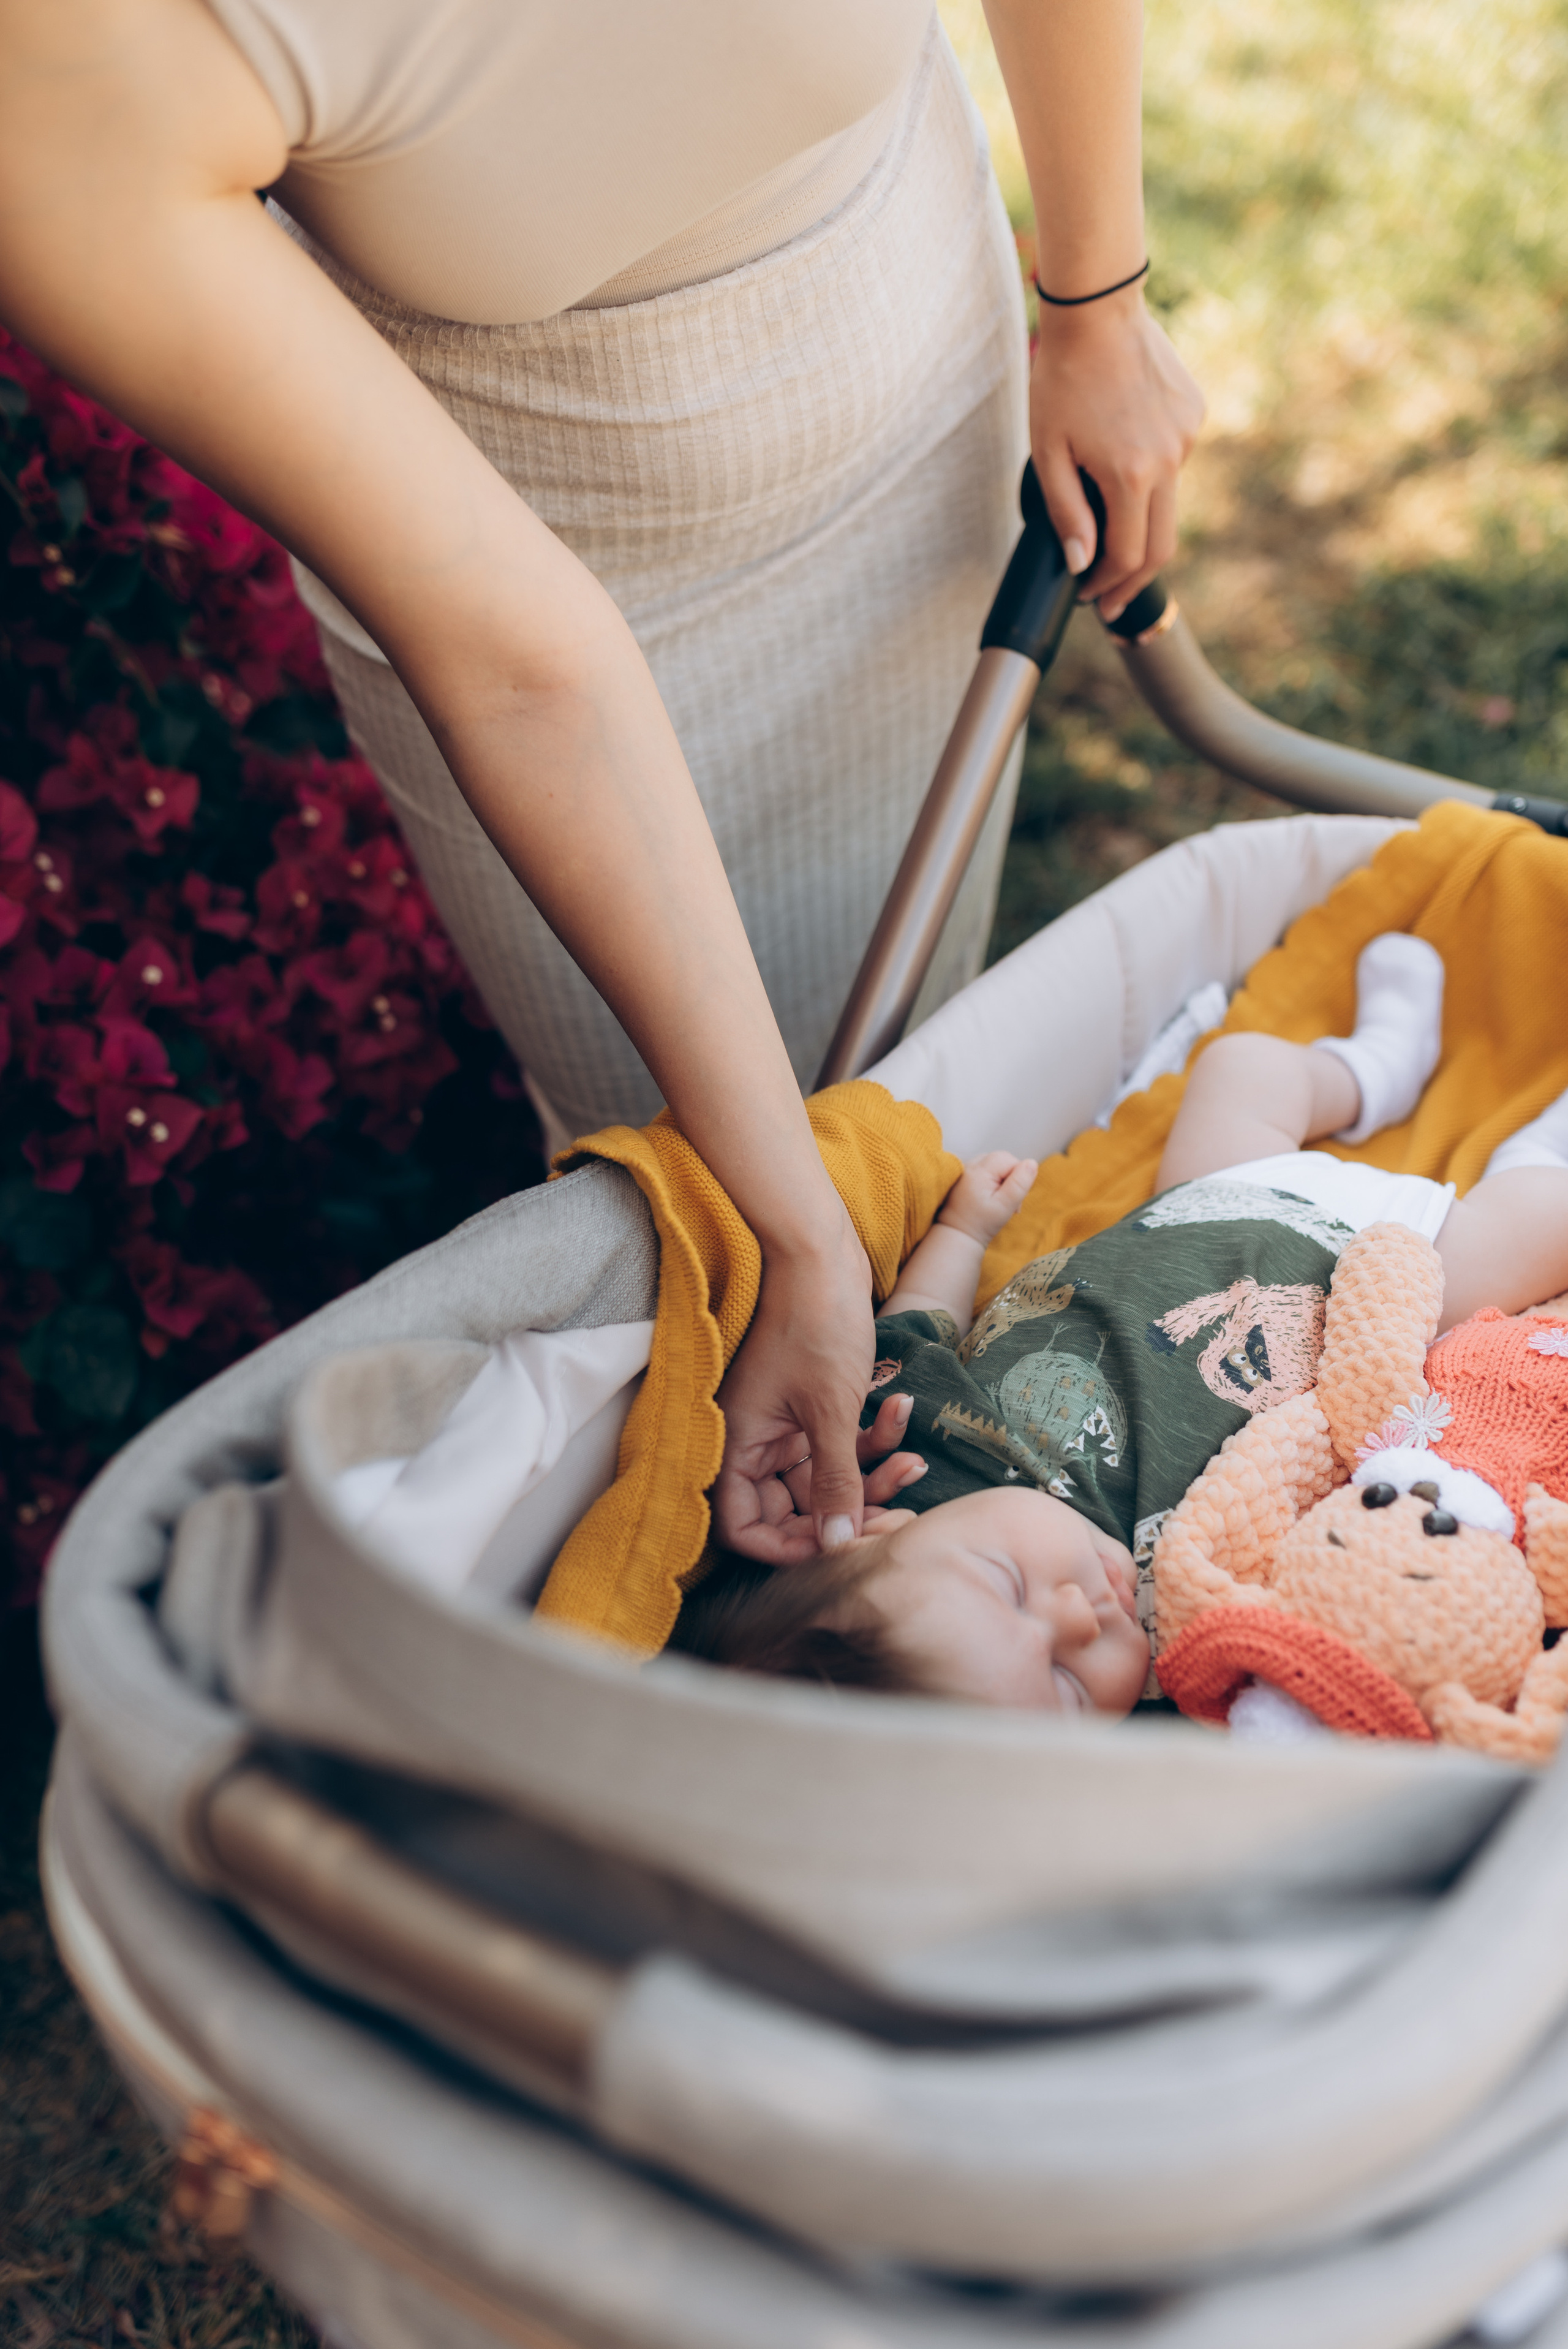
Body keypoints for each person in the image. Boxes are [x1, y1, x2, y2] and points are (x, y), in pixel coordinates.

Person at [0, 0, 1202, 1563]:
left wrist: (1094, 300)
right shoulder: (61, 68)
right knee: (688, 1222)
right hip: (531, 577)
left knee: (918, 1046)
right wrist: (792, 1234)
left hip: (903, 368)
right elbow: (519, 664)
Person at [676, 936, 1568, 1712]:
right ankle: (1540, 1150)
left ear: (881, 1537)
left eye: (1008, 1584)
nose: (1079, 1614)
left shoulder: (896, 1455)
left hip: (1212, 1200)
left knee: (1243, 1069)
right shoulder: (1185, 1630)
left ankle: (1376, 1066)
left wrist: (963, 1233)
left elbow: (917, 1322)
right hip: (1384, 1290)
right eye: (1069, 1684)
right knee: (1541, 1216)